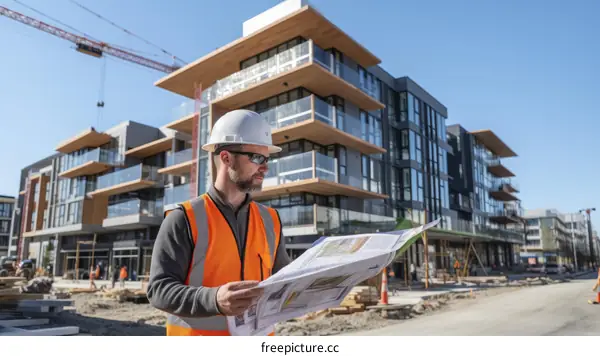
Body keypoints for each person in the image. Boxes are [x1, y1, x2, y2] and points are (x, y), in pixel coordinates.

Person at [147, 110, 292, 337]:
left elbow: (285, 280)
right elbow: (158, 290)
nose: (265, 167)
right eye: (257, 158)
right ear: (226, 158)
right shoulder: (183, 218)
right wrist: (214, 299)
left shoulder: (271, 220)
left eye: (267, 159)